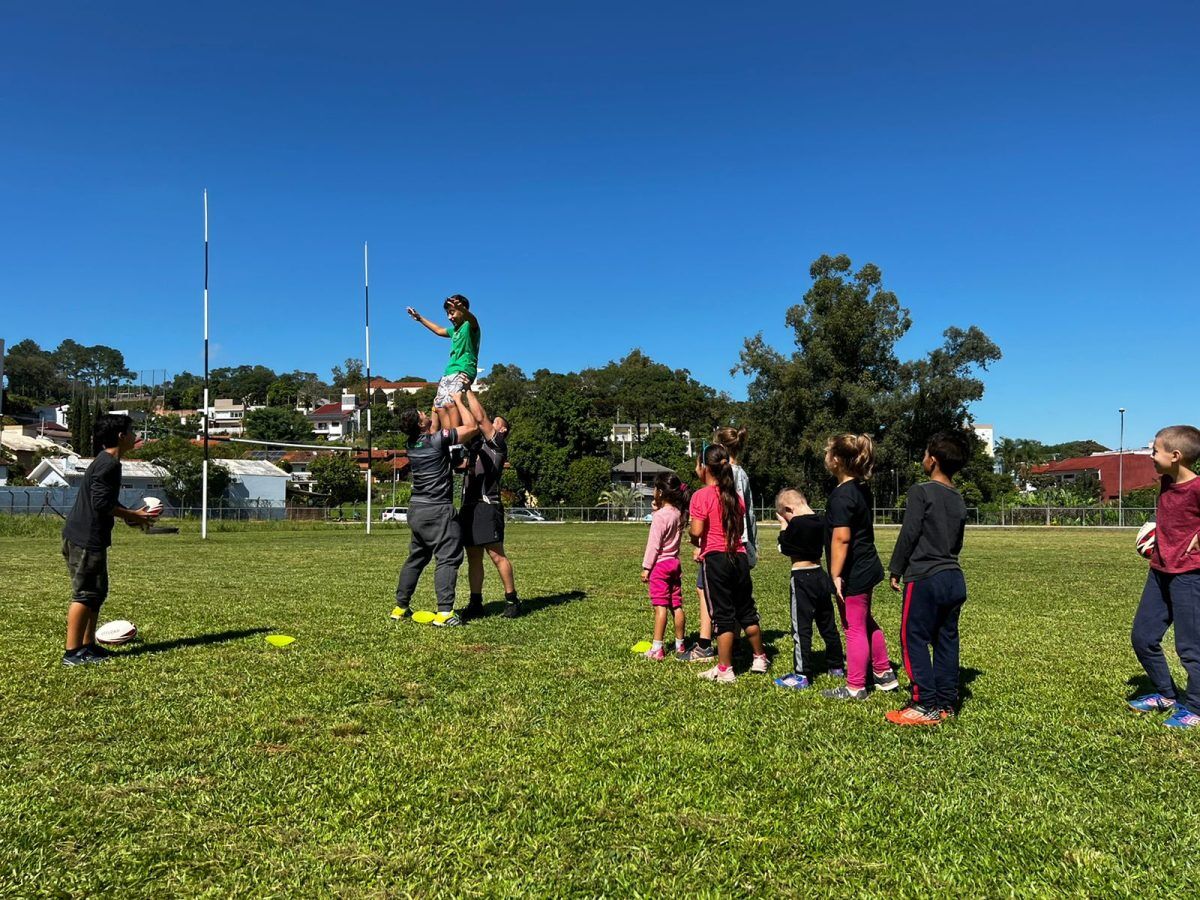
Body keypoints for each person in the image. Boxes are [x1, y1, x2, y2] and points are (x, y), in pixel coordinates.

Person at [60, 413, 159, 666]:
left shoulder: (107, 461)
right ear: (121, 436)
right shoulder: (109, 464)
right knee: (84, 593)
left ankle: (87, 646)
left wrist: (128, 516)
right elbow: (100, 503)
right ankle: (72, 653)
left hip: (92, 536)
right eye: (132, 431)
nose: (136, 435)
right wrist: (132, 514)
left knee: (97, 592)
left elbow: (106, 501)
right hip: (85, 537)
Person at [885, 432, 970, 725]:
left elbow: (910, 532)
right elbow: (957, 542)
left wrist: (896, 568)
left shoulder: (920, 491)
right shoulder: (958, 498)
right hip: (954, 576)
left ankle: (924, 704)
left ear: (932, 460)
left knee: (914, 638)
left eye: (924, 454)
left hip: (925, 577)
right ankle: (946, 702)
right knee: (947, 639)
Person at [1128, 424, 1200, 729]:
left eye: (1154, 450)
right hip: (1159, 572)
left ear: (1176, 455)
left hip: (1190, 576)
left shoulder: (1196, 488)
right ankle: (1166, 694)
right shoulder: (1167, 483)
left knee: (1191, 647)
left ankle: (1195, 708)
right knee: (1143, 638)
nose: (1150, 455)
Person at [390, 392, 480, 627]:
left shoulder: (412, 444)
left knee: (416, 558)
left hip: (417, 510)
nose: (425, 413)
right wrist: (458, 402)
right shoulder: (436, 440)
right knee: (448, 558)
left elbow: (433, 428)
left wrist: (436, 407)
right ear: (421, 424)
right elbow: (472, 427)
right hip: (438, 510)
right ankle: (445, 613)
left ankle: (400, 607)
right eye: (422, 414)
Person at [821, 433, 899, 700]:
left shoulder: (842, 496)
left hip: (853, 570)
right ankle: (883, 672)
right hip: (866, 565)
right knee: (864, 620)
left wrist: (835, 574)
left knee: (853, 626)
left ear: (837, 460)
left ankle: (855, 687)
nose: (826, 457)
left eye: (828, 452)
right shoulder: (860, 489)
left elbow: (841, 538)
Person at [688, 444, 769, 683]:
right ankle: (760, 657)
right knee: (746, 610)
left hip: (715, 560)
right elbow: (740, 527)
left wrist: (694, 538)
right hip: (739, 557)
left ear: (703, 467)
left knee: (723, 615)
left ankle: (725, 669)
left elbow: (697, 530)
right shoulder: (734, 496)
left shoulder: (700, 496)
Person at [680, 427, 757, 663]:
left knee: (708, 593)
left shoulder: (727, 478)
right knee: (737, 601)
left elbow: (720, 517)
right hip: (739, 548)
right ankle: (741, 648)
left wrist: (699, 543)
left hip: (723, 549)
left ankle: (706, 645)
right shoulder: (739, 473)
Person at [772, 488, 844, 690]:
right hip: (821, 575)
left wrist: (783, 526)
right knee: (828, 624)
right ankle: (836, 665)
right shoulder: (822, 521)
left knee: (801, 628)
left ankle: (802, 674)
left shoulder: (795, 523)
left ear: (788, 508)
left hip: (802, 577)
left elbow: (784, 547)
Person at [460, 391, 521, 620]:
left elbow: (480, 416)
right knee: (473, 556)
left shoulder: (497, 445)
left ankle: (512, 599)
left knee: (496, 555)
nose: (491, 422)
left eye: (497, 422)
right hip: (469, 506)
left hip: (487, 506)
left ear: (502, 430)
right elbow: (469, 421)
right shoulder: (476, 446)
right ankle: (476, 602)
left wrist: (466, 391)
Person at [405, 295, 481, 432]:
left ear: (462, 310)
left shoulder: (470, 326)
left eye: (452, 313)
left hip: (463, 370)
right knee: (439, 407)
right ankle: (446, 439)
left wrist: (463, 310)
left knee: (451, 403)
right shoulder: (454, 330)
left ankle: (456, 439)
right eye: (447, 314)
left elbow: (473, 320)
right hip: (448, 372)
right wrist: (420, 318)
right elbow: (439, 330)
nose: (449, 317)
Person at [640, 472, 688, 660]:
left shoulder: (660, 517)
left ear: (659, 492)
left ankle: (657, 648)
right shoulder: (678, 514)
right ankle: (680, 645)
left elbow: (654, 545)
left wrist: (646, 567)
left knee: (660, 607)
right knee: (676, 605)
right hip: (675, 564)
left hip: (659, 566)